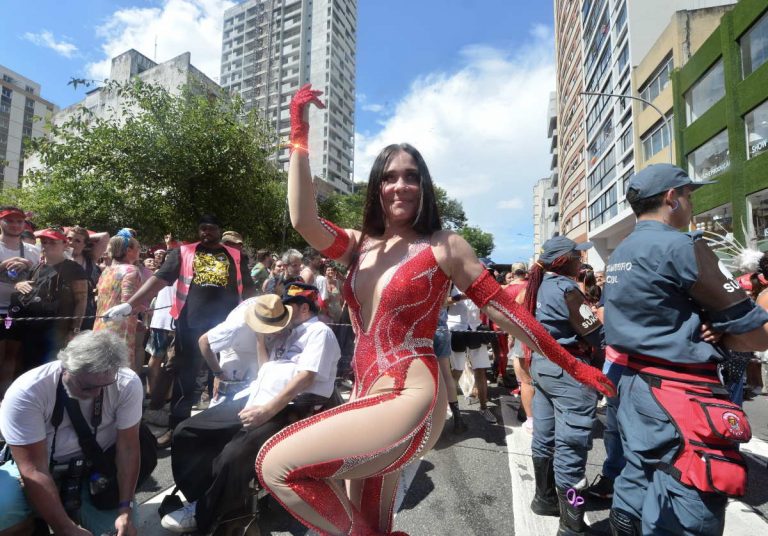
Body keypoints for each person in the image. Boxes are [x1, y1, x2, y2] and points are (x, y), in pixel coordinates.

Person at [254, 84, 613, 536]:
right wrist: (299, 132)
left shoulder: (445, 245)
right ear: (377, 188)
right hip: (365, 392)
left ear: (424, 185)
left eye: (410, 175)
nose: (399, 185)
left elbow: (504, 311)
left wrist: (571, 364)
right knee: (365, 515)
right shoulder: (359, 245)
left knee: (277, 464)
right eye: (389, 177)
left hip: (410, 394)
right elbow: (303, 220)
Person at [603, 164, 768, 536]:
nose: (691, 203)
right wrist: (721, 334)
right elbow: (758, 334)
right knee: (691, 499)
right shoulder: (680, 245)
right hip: (681, 392)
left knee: (639, 475)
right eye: (689, 196)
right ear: (671, 198)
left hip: (634, 384)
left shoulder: (622, 250)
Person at [161, 285, 341, 534]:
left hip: (292, 407)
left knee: (234, 454)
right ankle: (201, 496)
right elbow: (266, 368)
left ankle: (207, 512)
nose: (284, 311)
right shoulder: (286, 331)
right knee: (188, 430)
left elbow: (306, 378)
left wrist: (267, 411)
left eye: (288, 305)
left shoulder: (319, 332)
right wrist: (260, 338)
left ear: (304, 307)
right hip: (257, 397)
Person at [103, 215, 255, 447]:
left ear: (219, 230)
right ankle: (177, 429)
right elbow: (159, 279)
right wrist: (130, 304)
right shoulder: (183, 253)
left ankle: (224, 431)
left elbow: (250, 291)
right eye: (202, 228)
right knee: (185, 378)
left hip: (227, 329)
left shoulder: (235, 256)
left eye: (211, 228)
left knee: (226, 379)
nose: (206, 232)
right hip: (190, 326)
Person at [0, 330, 152, 536]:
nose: (97, 394)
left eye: (104, 386)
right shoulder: (27, 391)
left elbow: (127, 448)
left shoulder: (126, 382)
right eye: (87, 386)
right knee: (3, 508)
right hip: (43, 468)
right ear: (65, 366)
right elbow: (33, 469)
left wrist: (125, 509)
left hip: (94, 471)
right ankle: (31, 525)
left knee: (120, 531)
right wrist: (65, 527)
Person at [522, 236, 604, 536]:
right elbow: (595, 334)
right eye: (578, 254)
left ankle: (544, 499)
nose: (582, 258)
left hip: (543, 368)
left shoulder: (540, 284)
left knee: (544, 437)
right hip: (569, 371)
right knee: (572, 450)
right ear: (564, 260)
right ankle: (572, 524)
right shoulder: (566, 289)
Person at [14, 227, 88, 370]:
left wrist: (75, 329)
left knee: (51, 370)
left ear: (65, 245)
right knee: (30, 368)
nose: (46, 245)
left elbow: (81, 300)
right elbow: (24, 284)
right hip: (32, 329)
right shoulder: (36, 267)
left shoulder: (73, 268)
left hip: (57, 331)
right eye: (44, 241)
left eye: (52, 242)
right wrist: (19, 284)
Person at [0, 206, 40, 392]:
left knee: (14, 356)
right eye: (10, 220)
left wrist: (30, 266)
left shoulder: (33, 251)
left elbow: (43, 276)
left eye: (19, 221)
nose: (15, 225)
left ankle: (6, 395)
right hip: (0, 310)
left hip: (21, 310)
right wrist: (2, 266)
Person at [447, 285, 497, 424]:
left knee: (480, 370)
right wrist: (462, 296)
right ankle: (449, 405)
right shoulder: (450, 281)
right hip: (456, 329)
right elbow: (443, 302)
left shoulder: (477, 281)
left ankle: (483, 407)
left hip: (476, 328)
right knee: (457, 370)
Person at [93, 231, 143, 369]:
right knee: (120, 372)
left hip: (100, 325)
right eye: (138, 248)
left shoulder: (106, 270)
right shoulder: (132, 270)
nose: (140, 251)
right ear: (128, 251)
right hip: (120, 331)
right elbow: (128, 303)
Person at [66, 227, 109, 332]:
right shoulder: (58, 256)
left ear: (85, 244)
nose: (71, 242)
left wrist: (86, 237)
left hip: (86, 310)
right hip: (62, 308)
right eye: (69, 238)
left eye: (77, 241)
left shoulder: (90, 258)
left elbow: (105, 236)